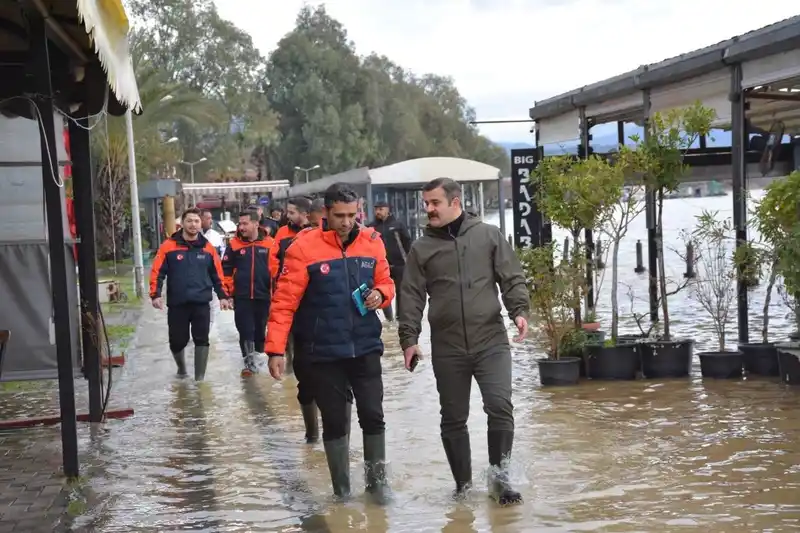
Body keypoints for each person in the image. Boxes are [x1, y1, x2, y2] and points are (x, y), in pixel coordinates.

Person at [398, 177, 530, 505]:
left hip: (491, 340)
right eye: (425, 203)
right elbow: (411, 295)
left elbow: (511, 276)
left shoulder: (487, 235)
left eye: (434, 203)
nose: (427, 209)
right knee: (453, 417)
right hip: (448, 346)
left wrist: (519, 311)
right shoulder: (421, 248)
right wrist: (408, 339)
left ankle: (500, 481)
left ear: (455, 202)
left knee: (500, 407)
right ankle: (463, 486)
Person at [265, 183, 395, 502]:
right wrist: (275, 350)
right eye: (339, 215)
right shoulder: (303, 247)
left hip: (365, 346)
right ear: (325, 213)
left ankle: (377, 488)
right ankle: (342, 493)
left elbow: (386, 281)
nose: (347, 222)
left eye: (352, 215)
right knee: (336, 422)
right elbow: (284, 302)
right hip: (322, 352)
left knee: (373, 415)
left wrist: (382, 294)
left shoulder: (373, 242)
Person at [150, 208, 231, 381]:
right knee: (177, 341)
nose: (193, 225)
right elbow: (157, 272)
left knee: (202, 339)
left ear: (200, 224)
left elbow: (217, 274)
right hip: (177, 303)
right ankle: (182, 369)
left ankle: (199, 380)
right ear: (183, 224)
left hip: (201, 302)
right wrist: (155, 294)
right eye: (189, 221)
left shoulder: (208, 248)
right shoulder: (168, 246)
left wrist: (223, 296)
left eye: (196, 221)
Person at [222, 211, 274, 375]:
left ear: (256, 224)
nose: (241, 227)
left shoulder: (270, 244)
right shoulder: (234, 245)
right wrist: (228, 294)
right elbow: (226, 270)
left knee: (260, 330)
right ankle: (249, 365)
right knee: (245, 330)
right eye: (240, 224)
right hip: (242, 296)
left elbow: (278, 270)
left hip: (264, 296)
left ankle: (258, 361)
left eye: (245, 223)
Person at [367, 201, 412, 322]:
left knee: (401, 292)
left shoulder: (398, 225)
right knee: (383, 292)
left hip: (399, 265)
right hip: (381, 266)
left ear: (387, 210)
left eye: (381, 209)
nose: (378, 212)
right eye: (376, 209)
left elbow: (407, 242)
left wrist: (410, 260)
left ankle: (400, 319)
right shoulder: (371, 227)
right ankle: (389, 320)